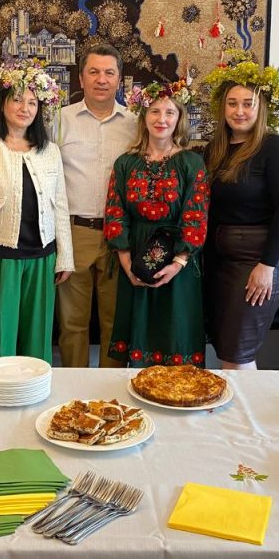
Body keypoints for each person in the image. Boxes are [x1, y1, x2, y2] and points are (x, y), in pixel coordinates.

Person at [0, 58, 74, 362]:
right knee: (2, 343)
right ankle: (1, 392)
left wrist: (65, 256)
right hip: (1, 259)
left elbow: (60, 206)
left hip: (42, 257)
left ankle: (37, 391)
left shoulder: (50, 151)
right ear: (2, 104)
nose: (25, 108)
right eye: (17, 100)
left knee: (38, 342)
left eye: (32, 102)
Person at [201, 54, 279, 369]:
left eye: (248, 104)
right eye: (232, 104)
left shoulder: (275, 148)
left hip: (257, 261)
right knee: (226, 350)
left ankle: (243, 404)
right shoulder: (214, 150)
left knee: (237, 354)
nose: (239, 111)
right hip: (220, 263)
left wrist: (267, 265)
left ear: (261, 108)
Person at [103, 80, 210, 367]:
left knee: (176, 335)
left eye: (169, 112)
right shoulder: (125, 163)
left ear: (179, 119)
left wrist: (178, 263)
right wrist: (128, 265)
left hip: (179, 263)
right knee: (137, 337)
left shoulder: (191, 163)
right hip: (135, 257)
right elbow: (115, 212)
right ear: (143, 117)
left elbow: (196, 216)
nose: (162, 119)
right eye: (154, 111)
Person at [55, 44, 137, 368]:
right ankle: (75, 387)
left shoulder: (136, 124)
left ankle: (108, 390)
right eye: (94, 72)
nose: (101, 79)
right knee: (72, 322)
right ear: (81, 78)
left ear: (119, 79)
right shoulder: (59, 120)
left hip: (121, 236)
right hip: (75, 231)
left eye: (109, 73)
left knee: (114, 322)